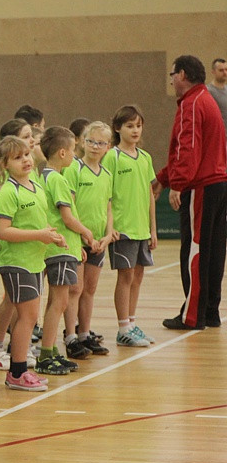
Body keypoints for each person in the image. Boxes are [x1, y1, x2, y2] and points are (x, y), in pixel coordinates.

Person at [154, 55, 227, 330]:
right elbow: (189, 150)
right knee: (213, 250)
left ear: (182, 74)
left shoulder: (192, 103)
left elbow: (188, 149)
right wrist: (164, 177)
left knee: (195, 249)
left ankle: (193, 315)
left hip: (202, 185)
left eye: (173, 74)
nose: (171, 80)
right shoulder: (205, 100)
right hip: (218, 184)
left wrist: (178, 183)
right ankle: (210, 311)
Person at [0, 136, 65, 391]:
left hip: (35, 260)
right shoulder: (8, 192)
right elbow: (2, 231)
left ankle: (18, 368)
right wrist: (39, 235)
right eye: (17, 157)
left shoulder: (35, 186)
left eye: (26, 154)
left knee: (29, 316)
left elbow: (36, 224)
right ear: (4, 164)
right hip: (17, 262)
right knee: (28, 316)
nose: (25, 160)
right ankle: (17, 372)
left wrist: (52, 236)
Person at [36, 126, 93, 375]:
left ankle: (51, 350)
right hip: (60, 247)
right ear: (61, 153)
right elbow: (67, 217)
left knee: (55, 300)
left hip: (60, 247)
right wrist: (85, 233)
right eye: (72, 150)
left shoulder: (44, 177)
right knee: (59, 301)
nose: (74, 155)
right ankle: (46, 353)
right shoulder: (57, 179)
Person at [101, 105, 157, 345]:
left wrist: (153, 229)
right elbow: (106, 195)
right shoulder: (112, 157)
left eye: (138, 125)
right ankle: (123, 328)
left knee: (138, 276)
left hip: (141, 228)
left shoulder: (145, 158)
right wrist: (109, 226)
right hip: (122, 229)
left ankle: (132, 324)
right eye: (130, 126)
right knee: (125, 277)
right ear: (117, 128)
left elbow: (149, 196)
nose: (135, 130)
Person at [63, 122, 113, 357]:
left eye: (100, 143)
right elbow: (69, 207)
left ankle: (84, 334)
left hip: (98, 242)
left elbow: (108, 207)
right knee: (75, 288)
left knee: (89, 289)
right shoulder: (74, 169)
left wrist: (107, 235)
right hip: (79, 238)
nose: (95, 146)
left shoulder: (107, 174)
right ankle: (70, 336)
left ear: (108, 147)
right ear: (82, 142)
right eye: (91, 141)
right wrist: (82, 234)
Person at [206, 58, 227, 128]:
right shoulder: (207, 91)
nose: (225, 73)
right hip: (217, 135)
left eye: (226, 69)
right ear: (213, 72)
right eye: (221, 70)